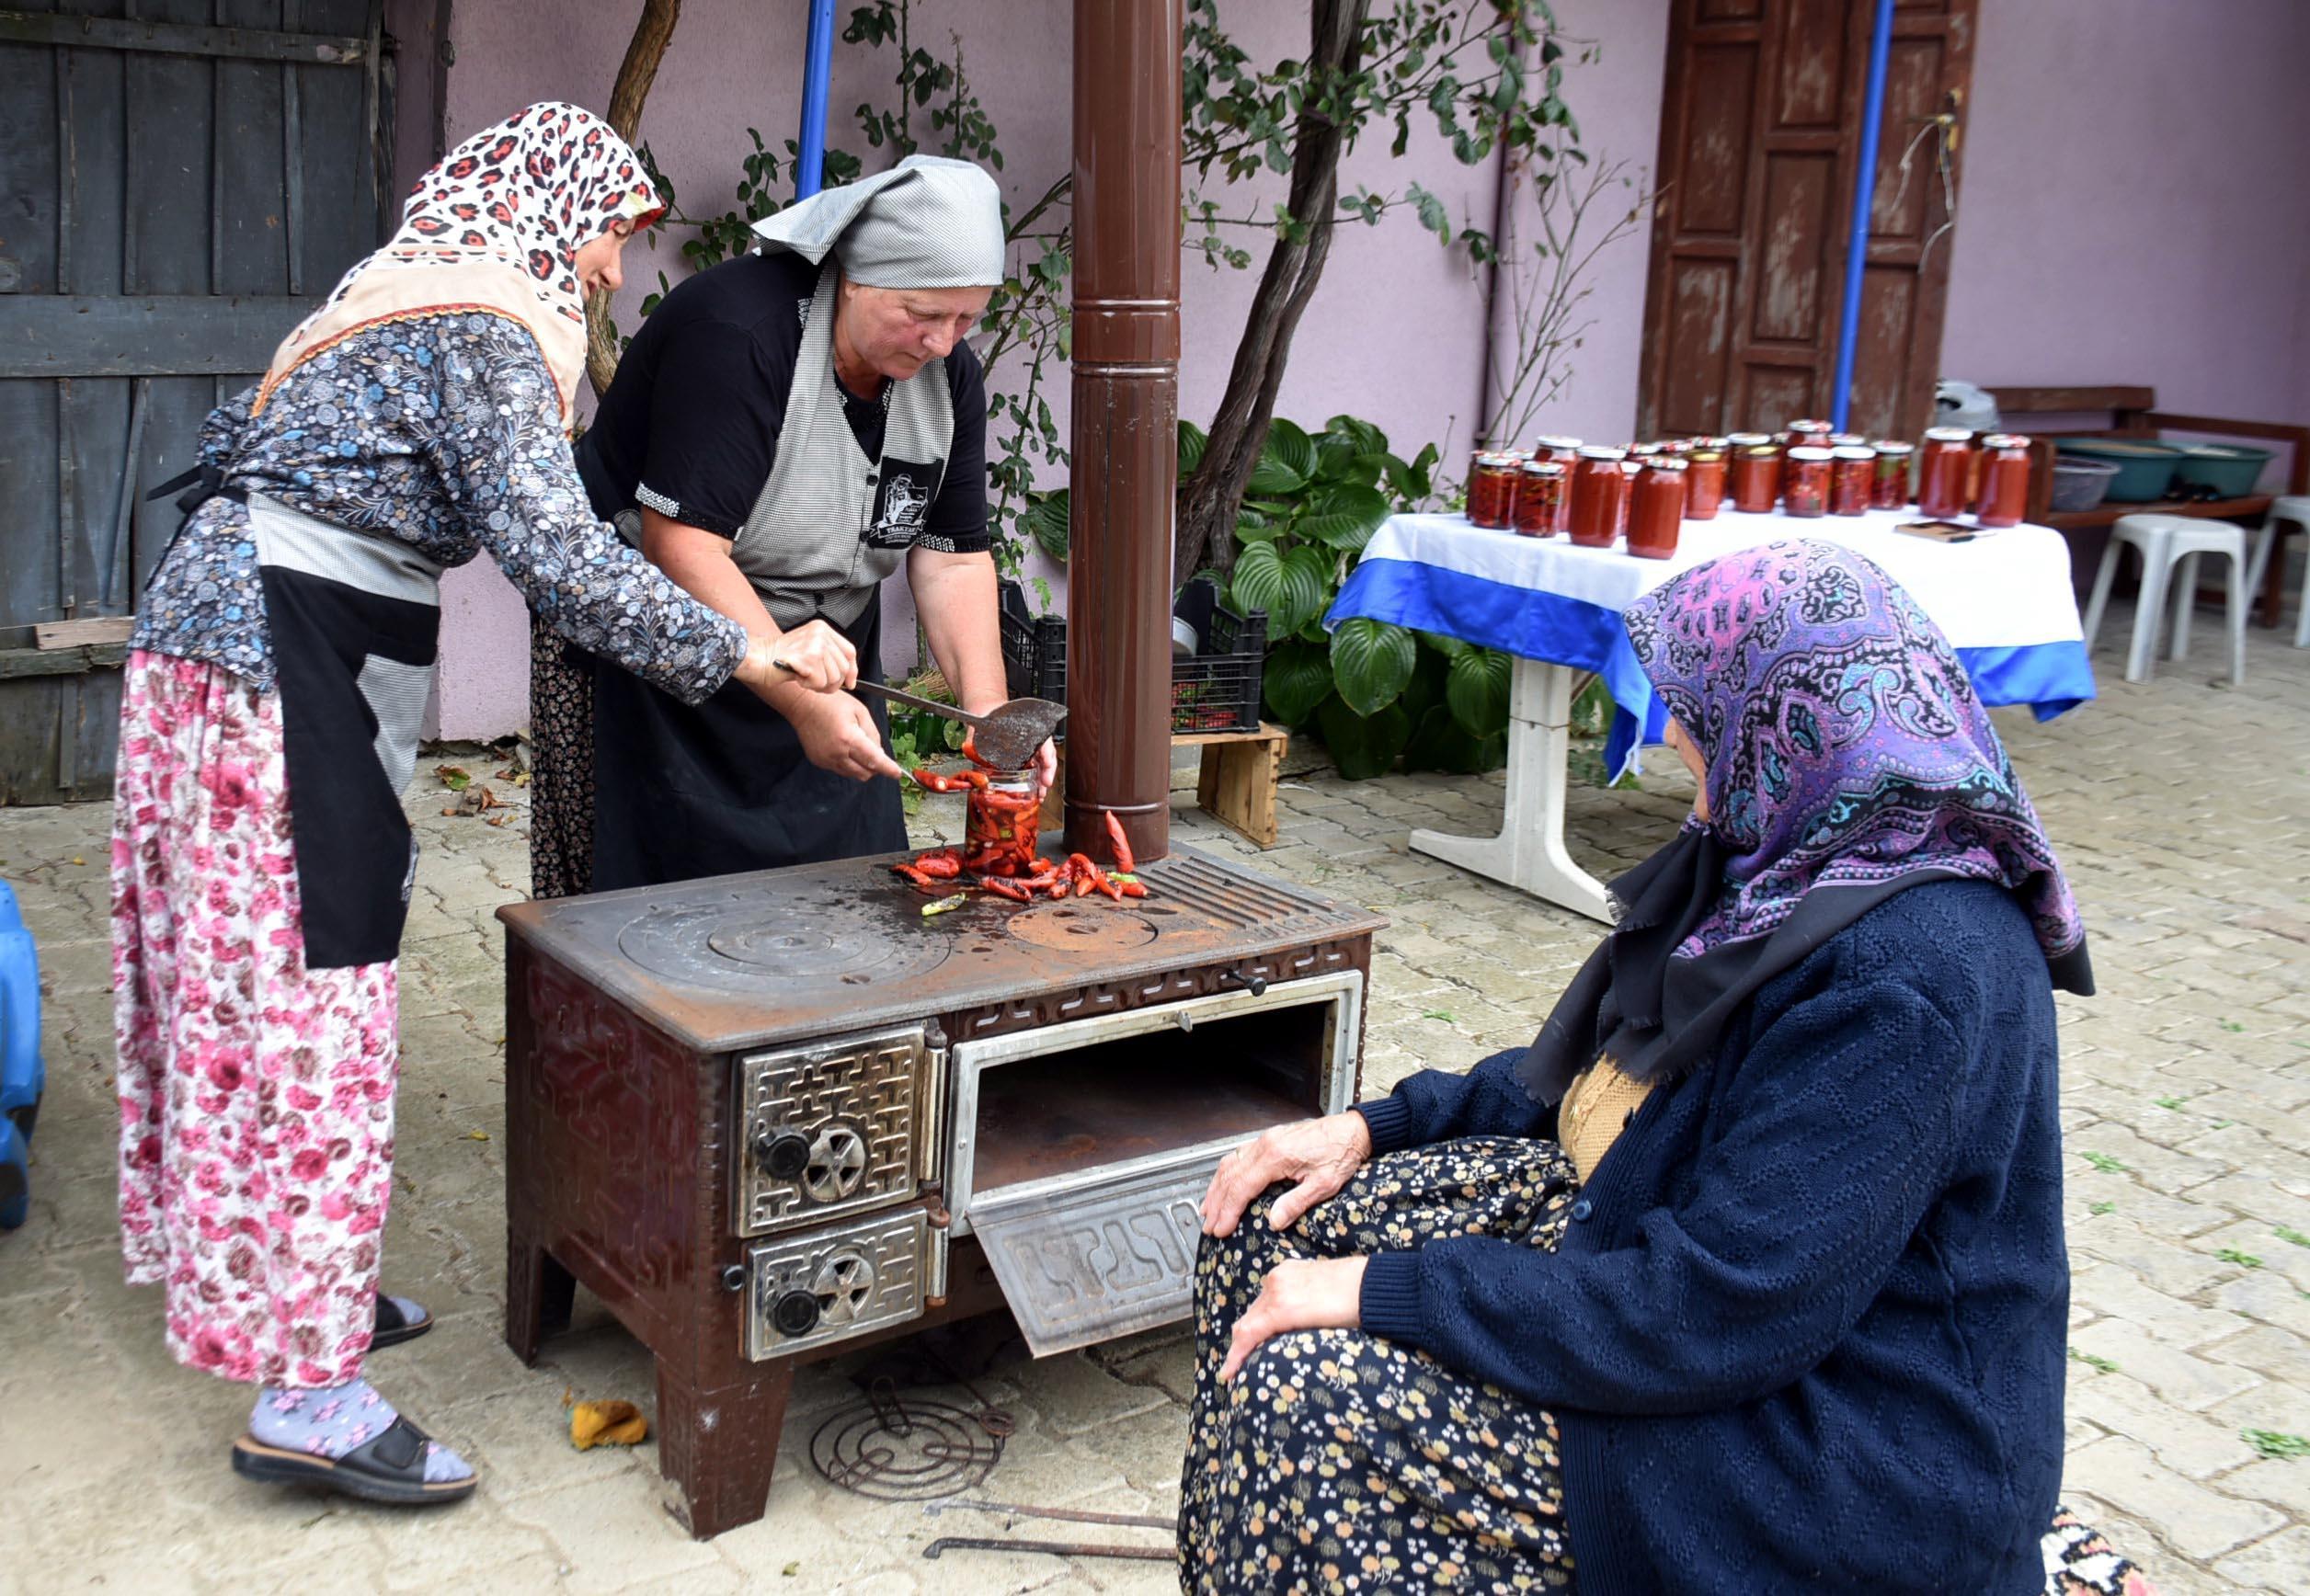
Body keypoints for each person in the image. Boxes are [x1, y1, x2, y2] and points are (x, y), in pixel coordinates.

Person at [110, 102, 855, 1509]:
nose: (616, 275)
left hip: (246, 654)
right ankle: (309, 1393)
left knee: (254, 993)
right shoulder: (485, 315)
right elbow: (560, 559)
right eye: (617, 238)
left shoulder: (406, 290)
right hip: (272, 658)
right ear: (556, 207)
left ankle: (297, 1296)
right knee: (312, 998)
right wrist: (764, 662)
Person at [1181, 542, 2151, 1594]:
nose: (1673, 731)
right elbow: (1608, 1077)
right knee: (1274, 1226)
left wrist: (1388, 1291)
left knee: (1308, 1389)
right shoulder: (1787, 857)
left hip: (1836, 1443)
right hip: (1694, 1272)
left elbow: (1716, 1309)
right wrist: (1373, 1125)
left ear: (1792, 717)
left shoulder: (1910, 974)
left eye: (1694, 702)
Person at [528, 152, 1050, 899]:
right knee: (655, 905)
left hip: (825, 646)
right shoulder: (740, 334)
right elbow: (682, 544)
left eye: (966, 317)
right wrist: (801, 698)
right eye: (924, 315)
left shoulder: (948, 378)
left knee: (852, 888)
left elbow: (953, 559)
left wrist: (993, 722)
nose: (943, 342)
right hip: (654, 645)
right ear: (858, 277)